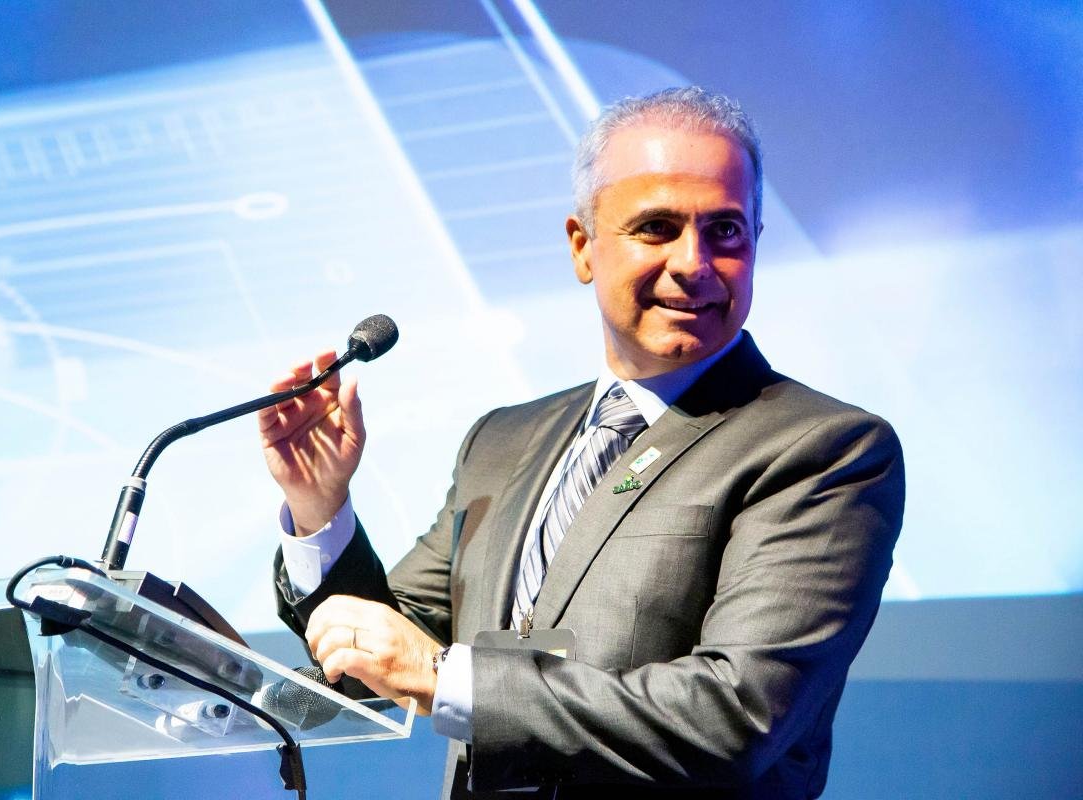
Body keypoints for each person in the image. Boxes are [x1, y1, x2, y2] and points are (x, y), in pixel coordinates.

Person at [258, 87, 904, 799]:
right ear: (582, 247)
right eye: (657, 227)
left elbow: (736, 715)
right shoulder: (502, 440)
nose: (695, 262)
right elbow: (386, 647)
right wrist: (320, 508)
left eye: (725, 230)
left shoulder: (824, 448)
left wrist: (446, 678)